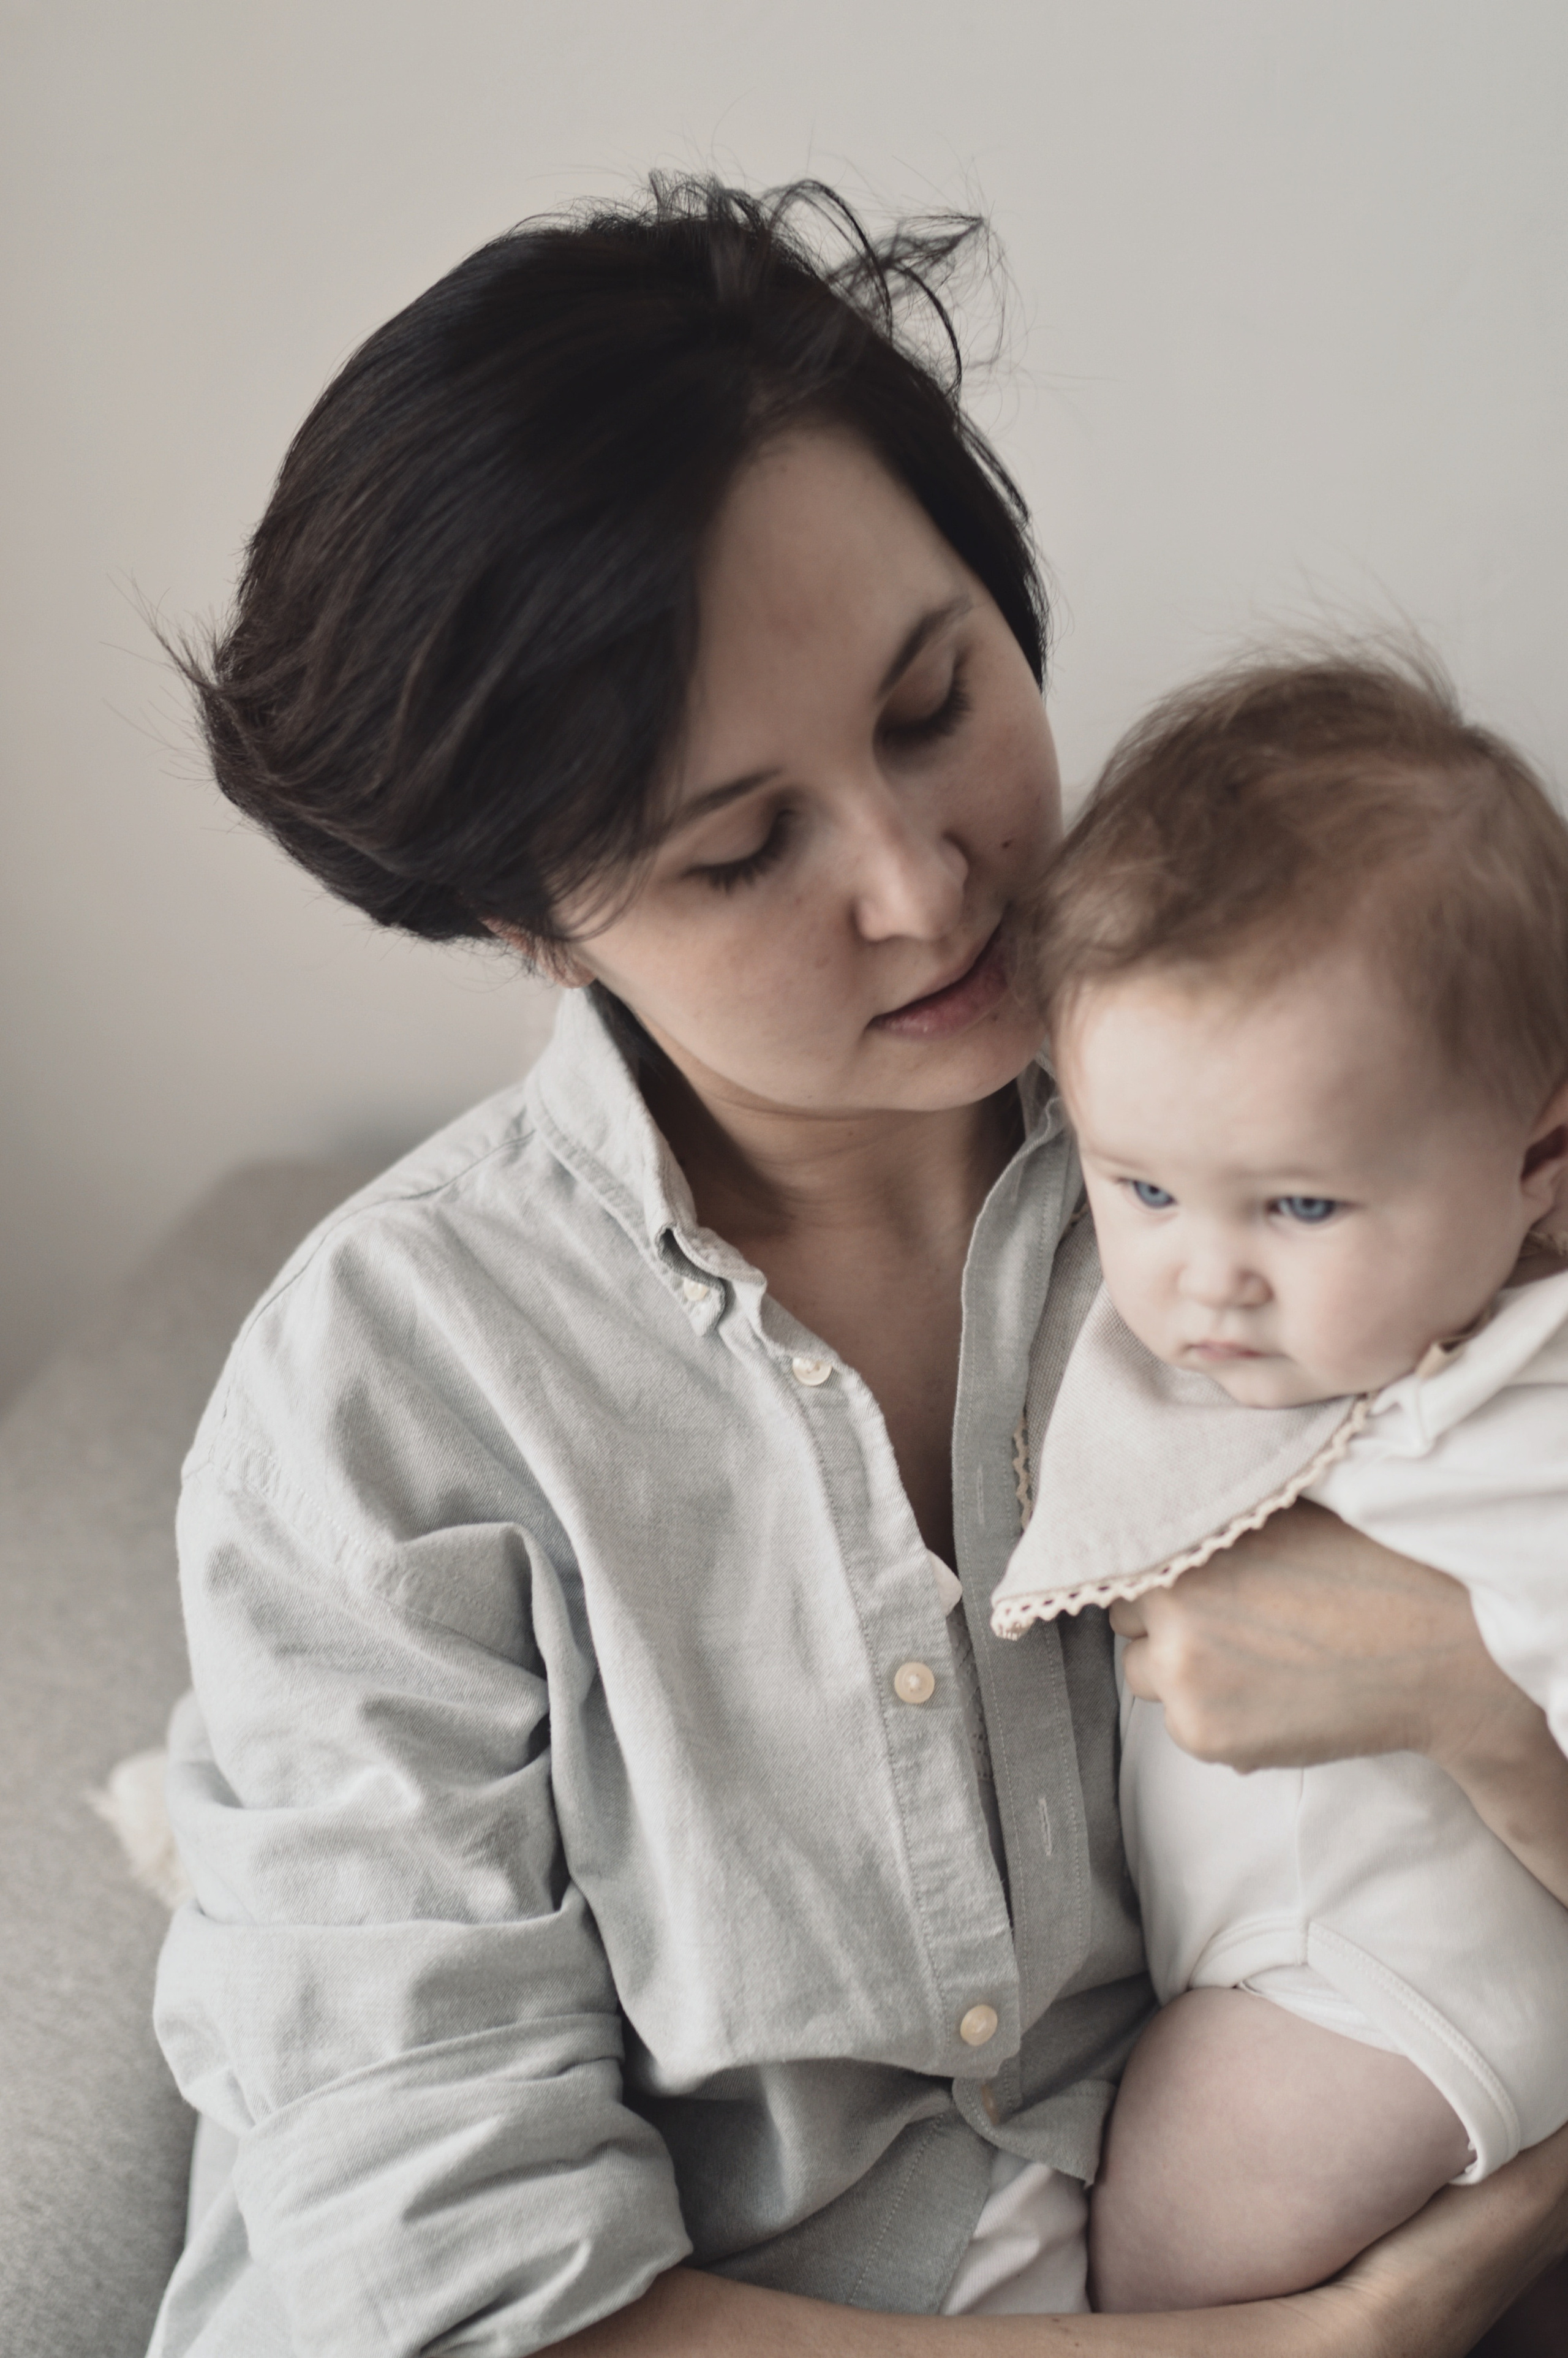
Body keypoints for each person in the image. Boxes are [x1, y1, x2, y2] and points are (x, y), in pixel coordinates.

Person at [146, 180, 1568, 2356]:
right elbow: (451, 2295)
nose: (923, 887)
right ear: (533, 922)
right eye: (742, 850)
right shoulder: (390, 1388)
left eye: (932, 704)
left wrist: (1468, 1688)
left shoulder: (1320, 1139)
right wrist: (1316, 2345)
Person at [989, 652, 1568, 2313]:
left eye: (1301, 1207)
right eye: (1144, 1188)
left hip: (1381, 1999)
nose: (1205, 1280)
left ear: (1539, 1160)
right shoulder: (1174, 1319)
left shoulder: (1527, 1425)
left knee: (1167, 2274)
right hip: (1301, 1965)